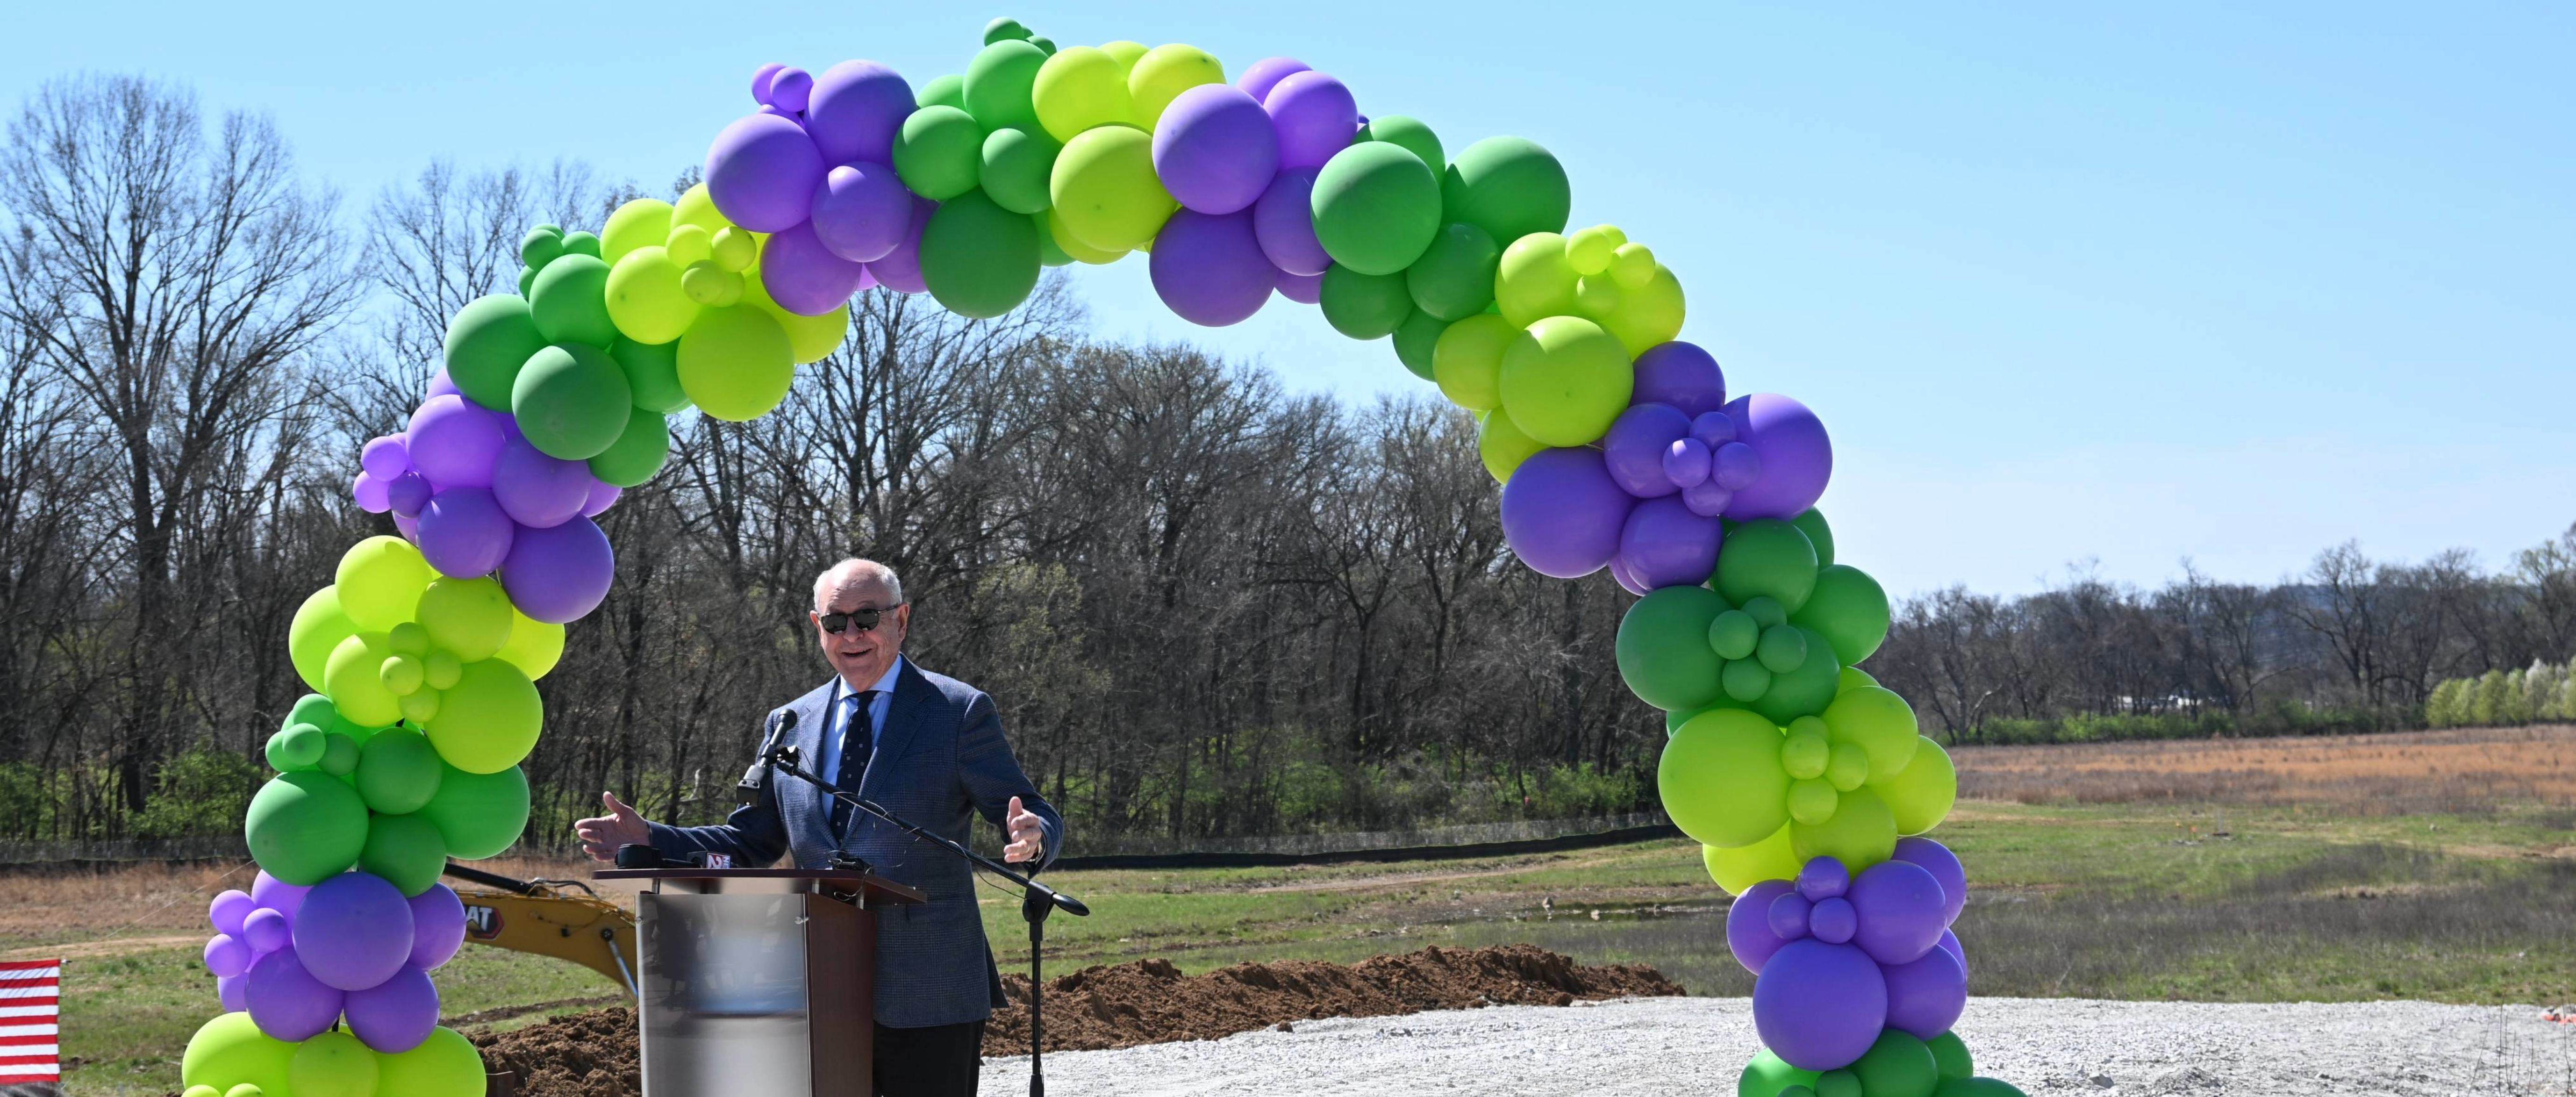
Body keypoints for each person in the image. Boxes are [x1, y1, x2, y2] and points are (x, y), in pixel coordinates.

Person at [574, 557, 1064, 1097]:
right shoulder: (789, 722)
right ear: (817, 627)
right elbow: (751, 842)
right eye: (836, 622)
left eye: (867, 617)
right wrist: (653, 838)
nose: (851, 634)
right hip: (815, 985)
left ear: (901, 618)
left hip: (930, 985)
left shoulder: (957, 711)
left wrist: (1032, 834)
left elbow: (1027, 809)